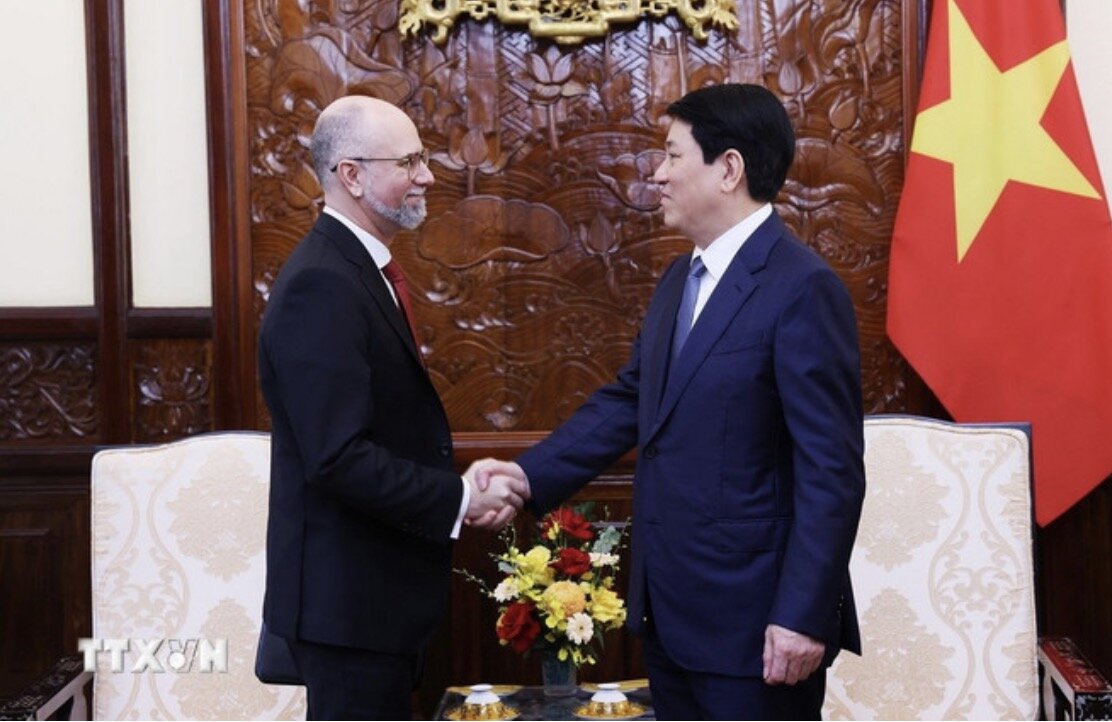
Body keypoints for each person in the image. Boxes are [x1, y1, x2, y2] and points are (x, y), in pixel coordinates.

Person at [473, 84, 865, 720]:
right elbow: (634, 399)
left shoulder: (803, 289)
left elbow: (832, 472)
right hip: (671, 619)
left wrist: (801, 615)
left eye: (671, 155)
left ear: (729, 168)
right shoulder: (680, 278)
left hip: (757, 627)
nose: (655, 175)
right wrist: (525, 475)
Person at [258, 95, 527, 720]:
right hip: (348, 609)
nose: (427, 175)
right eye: (409, 161)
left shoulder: (357, 268)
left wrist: (456, 485)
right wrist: (458, 500)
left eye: (423, 158)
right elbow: (338, 458)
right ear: (351, 175)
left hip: (374, 604)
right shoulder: (321, 283)